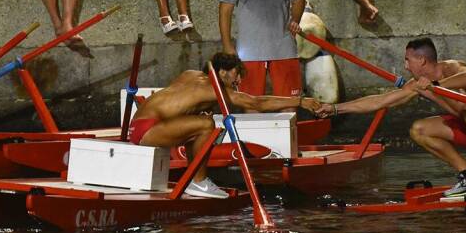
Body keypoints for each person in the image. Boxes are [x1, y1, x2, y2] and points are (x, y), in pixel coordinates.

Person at [317, 38, 466, 201]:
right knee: (418, 129)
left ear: (422, 60)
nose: (405, 66)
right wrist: (335, 108)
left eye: (408, 60)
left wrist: (436, 84)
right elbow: (380, 101)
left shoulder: (451, 68)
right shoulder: (417, 84)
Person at [127, 52, 321, 198]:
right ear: (222, 72)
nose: (238, 81)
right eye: (236, 75)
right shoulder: (213, 88)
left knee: (198, 124)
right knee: (206, 124)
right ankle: (199, 182)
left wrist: (197, 110)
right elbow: (255, 103)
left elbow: (177, 104)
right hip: (150, 130)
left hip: (137, 126)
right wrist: (300, 102)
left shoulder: (190, 74)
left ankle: (193, 178)